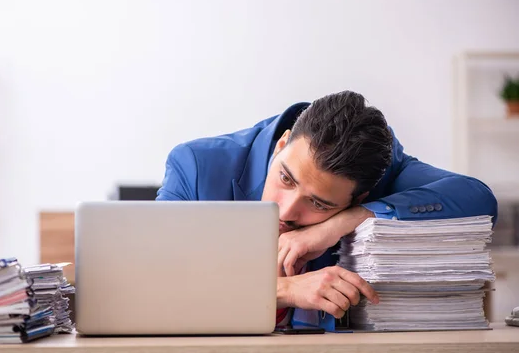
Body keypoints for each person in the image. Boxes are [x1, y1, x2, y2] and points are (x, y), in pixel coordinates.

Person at [155, 91, 498, 327]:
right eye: (286, 179)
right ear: (282, 144)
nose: (286, 210)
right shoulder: (196, 166)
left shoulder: (381, 173)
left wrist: (349, 220)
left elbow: (479, 198)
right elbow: (157, 283)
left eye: (319, 203)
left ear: (359, 195)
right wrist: (285, 291)